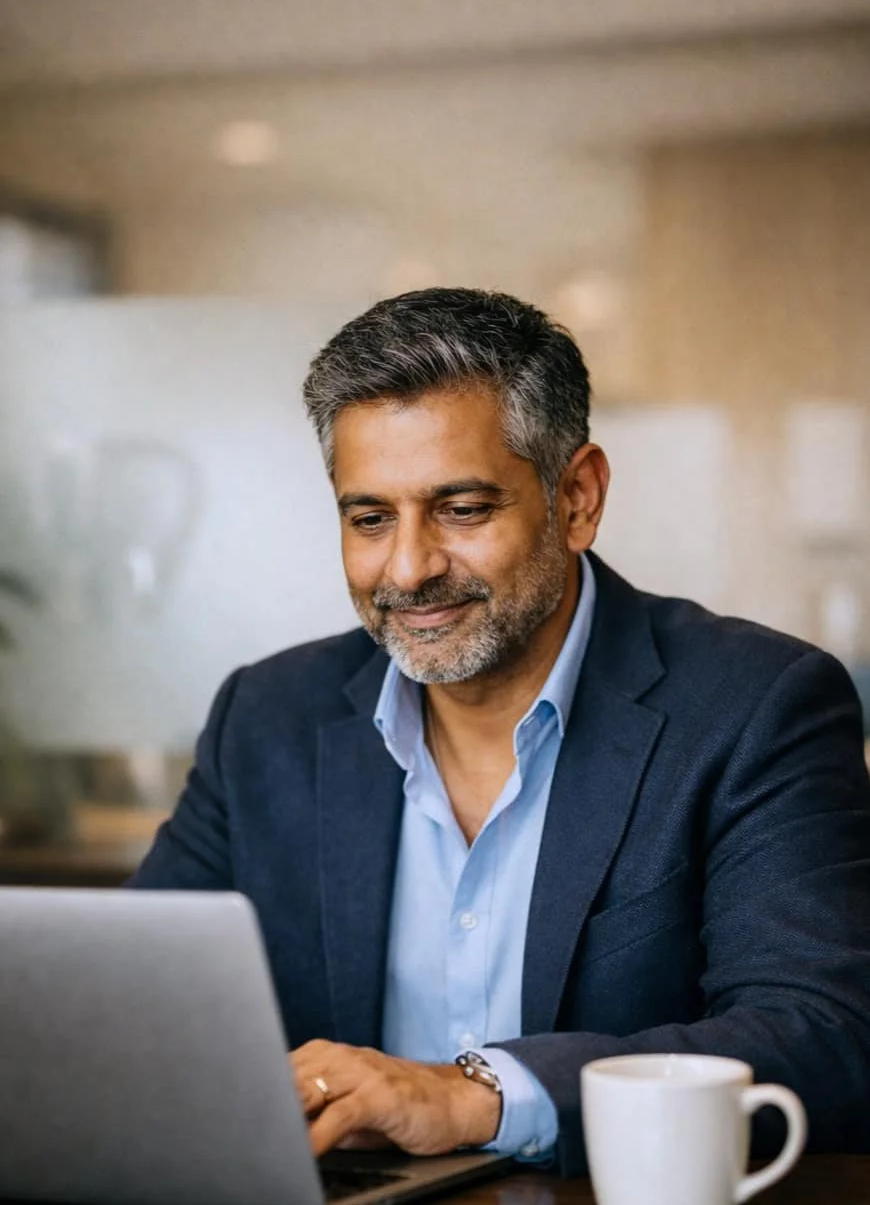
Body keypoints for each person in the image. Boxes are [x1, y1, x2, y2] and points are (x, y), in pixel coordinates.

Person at [130, 288, 870, 1175]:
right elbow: (131, 1011)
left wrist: (470, 1096)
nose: (407, 569)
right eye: (369, 518)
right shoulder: (267, 718)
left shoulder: (758, 705)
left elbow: (824, 1037)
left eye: (463, 509)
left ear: (579, 497)